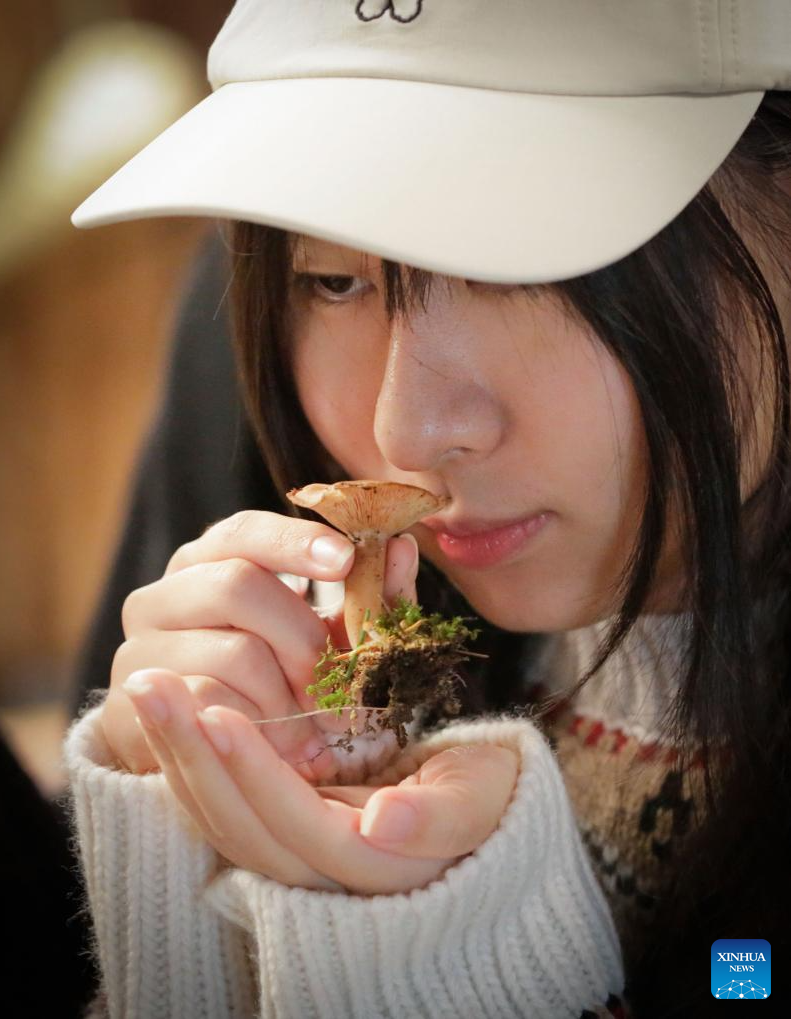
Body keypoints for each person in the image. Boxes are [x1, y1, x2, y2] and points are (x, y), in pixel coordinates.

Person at [63, 1, 791, 1016]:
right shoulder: (239, 398)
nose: (400, 431)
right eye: (331, 279)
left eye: (524, 263)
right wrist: (183, 870)